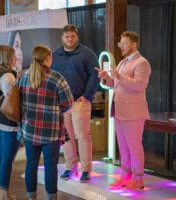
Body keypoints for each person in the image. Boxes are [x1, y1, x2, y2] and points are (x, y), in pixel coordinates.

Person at [96, 31, 151, 190]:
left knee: (134, 147)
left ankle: (138, 179)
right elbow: (115, 84)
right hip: (119, 111)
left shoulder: (142, 63)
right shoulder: (122, 62)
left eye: (124, 43)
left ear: (134, 44)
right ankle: (126, 176)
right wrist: (105, 77)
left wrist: (118, 76)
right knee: (124, 147)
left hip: (133, 113)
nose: (121, 46)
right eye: (120, 43)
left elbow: (139, 85)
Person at [17, 45, 73, 200]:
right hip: (51, 132)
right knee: (50, 167)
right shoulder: (56, 77)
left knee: (31, 165)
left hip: (29, 130)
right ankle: (51, 198)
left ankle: (31, 197)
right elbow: (68, 103)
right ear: (48, 58)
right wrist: (55, 108)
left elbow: (16, 100)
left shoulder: (23, 76)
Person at [51, 24, 100, 182]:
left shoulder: (87, 53)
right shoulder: (55, 55)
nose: (70, 39)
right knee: (66, 137)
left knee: (83, 136)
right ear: (62, 37)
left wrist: (87, 96)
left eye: (72, 36)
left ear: (76, 36)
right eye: (67, 36)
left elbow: (95, 75)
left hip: (80, 102)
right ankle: (70, 167)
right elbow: (50, 76)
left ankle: (86, 170)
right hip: (61, 102)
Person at [0, 45, 20, 200]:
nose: (16, 58)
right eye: (14, 55)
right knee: (7, 158)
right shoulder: (8, 77)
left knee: (0, 157)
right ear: (8, 58)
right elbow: (12, 101)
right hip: (7, 122)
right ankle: (4, 193)